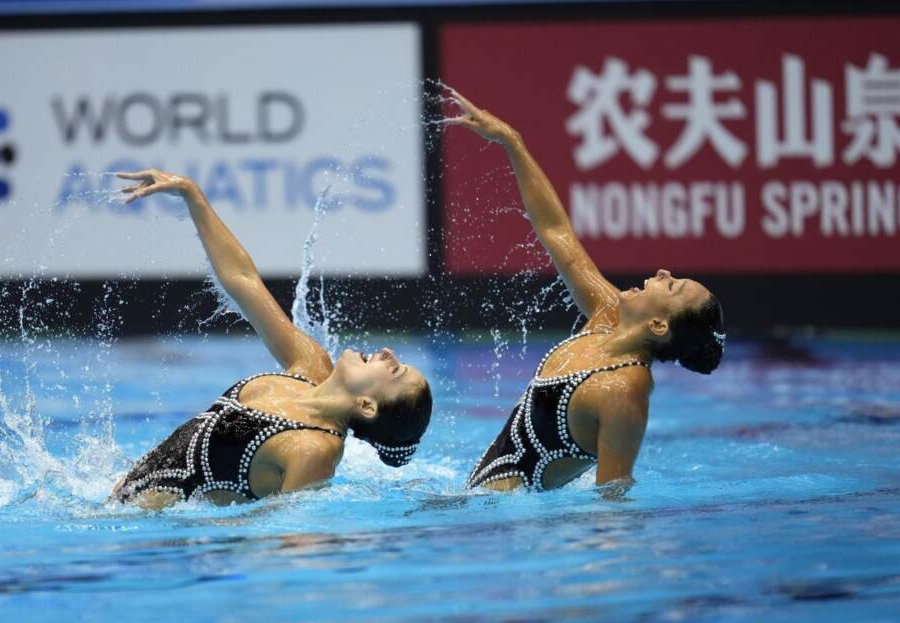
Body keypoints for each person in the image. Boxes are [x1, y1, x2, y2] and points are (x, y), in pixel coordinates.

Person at [444, 91, 724, 492]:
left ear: (659, 324)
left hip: (507, 525)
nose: (663, 272)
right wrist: (512, 141)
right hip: (477, 502)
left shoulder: (625, 390)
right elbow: (556, 232)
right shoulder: (608, 317)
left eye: (673, 285)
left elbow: (612, 495)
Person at [109, 169, 432, 509]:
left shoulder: (315, 449)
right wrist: (193, 195)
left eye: (395, 371)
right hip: (116, 508)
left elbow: (286, 534)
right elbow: (243, 279)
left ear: (367, 406)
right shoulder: (310, 366)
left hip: (163, 541)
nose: (388, 353)